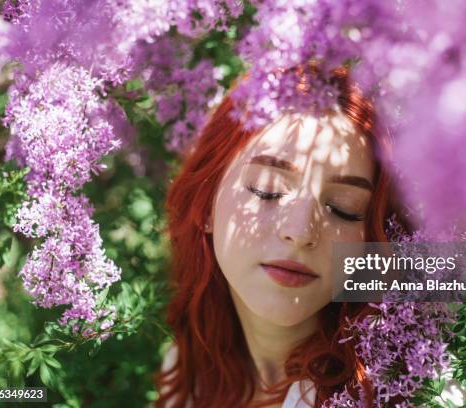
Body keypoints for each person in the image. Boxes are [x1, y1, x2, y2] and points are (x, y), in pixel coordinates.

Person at [154, 67, 394, 408]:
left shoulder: (405, 389)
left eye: (344, 209)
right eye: (266, 190)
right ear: (206, 205)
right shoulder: (186, 373)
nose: (299, 232)